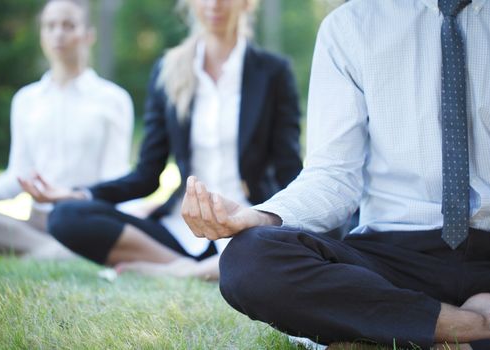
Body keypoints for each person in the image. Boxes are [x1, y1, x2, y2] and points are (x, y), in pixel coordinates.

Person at [180, 0, 490, 349]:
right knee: (249, 260)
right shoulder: (350, 26)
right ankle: (476, 328)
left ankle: (398, 331)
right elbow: (333, 176)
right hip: (393, 261)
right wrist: (257, 215)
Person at [21, 0, 302, 280]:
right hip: (181, 233)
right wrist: (79, 194)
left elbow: (289, 169)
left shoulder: (273, 73)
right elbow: (146, 175)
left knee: (297, 239)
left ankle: (186, 272)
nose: (214, 4)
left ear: (247, 3)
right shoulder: (169, 70)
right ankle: (194, 268)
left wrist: (283, 221)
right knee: (67, 216)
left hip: (250, 227)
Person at [0, 0, 133, 259]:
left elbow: (115, 176)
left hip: (84, 222)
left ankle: (50, 251)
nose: (58, 33)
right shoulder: (25, 100)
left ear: (88, 35)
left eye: (69, 25)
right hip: (34, 224)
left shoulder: (113, 99)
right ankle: (54, 252)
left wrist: (138, 213)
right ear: (42, 35)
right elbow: (18, 176)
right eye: (50, 26)